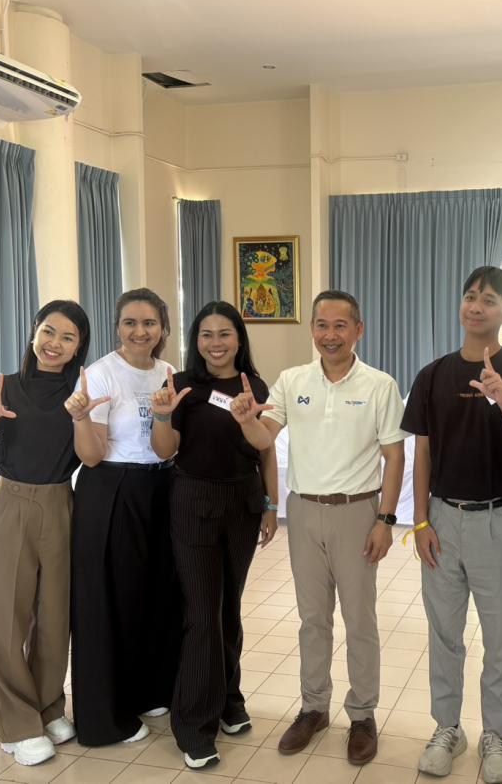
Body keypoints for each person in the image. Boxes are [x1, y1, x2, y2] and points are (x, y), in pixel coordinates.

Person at [404, 266, 502, 784]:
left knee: (500, 635)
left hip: (499, 518)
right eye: (470, 296)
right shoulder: (433, 374)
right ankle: (447, 727)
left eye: (489, 299)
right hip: (443, 518)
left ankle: (495, 734)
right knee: (444, 632)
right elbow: (422, 452)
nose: (476, 306)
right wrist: (420, 522)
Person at [259, 290, 405, 766]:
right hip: (303, 511)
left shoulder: (380, 385)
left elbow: (395, 456)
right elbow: (263, 435)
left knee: (359, 620)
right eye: (322, 325)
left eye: (340, 325)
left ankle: (362, 714)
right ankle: (314, 707)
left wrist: (385, 520)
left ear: (358, 330)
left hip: (357, 512)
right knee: (312, 619)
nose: (330, 335)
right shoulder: (292, 380)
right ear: (312, 330)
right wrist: (245, 421)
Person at [149, 301, 279, 769]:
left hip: (242, 504)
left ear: (239, 339)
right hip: (193, 502)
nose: (216, 343)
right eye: (207, 334)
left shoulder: (253, 385)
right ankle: (194, 725)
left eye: (225, 333)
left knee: (229, 609)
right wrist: (162, 416)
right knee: (203, 613)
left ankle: (227, 699)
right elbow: (165, 450)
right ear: (196, 340)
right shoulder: (181, 385)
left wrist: (270, 504)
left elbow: (265, 449)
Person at [0, 300, 91, 767]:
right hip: (11, 505)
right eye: (48, 331)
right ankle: (17, 725)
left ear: (78, 347)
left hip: (61, 503)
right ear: (34, 332)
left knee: (54, 619)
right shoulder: (5, 387)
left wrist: (85, 417)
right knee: (5, 619)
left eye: (68, 337)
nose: (55, 343)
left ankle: (48, 706)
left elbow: (89, 453)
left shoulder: (81, 392)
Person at [66, 288, 182, 747]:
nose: (140, 331)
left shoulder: (167, 372)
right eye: (130, 322)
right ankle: (105, 717)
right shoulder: (100, 374)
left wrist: (164, 417)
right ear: (117, 327)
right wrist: (80, 420)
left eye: (149, 323)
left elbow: (166, 448)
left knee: (152, 596)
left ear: (163, 328)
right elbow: (91, 457)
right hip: (112, 489)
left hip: (159, 487)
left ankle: (147, 691)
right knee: (111, 601)